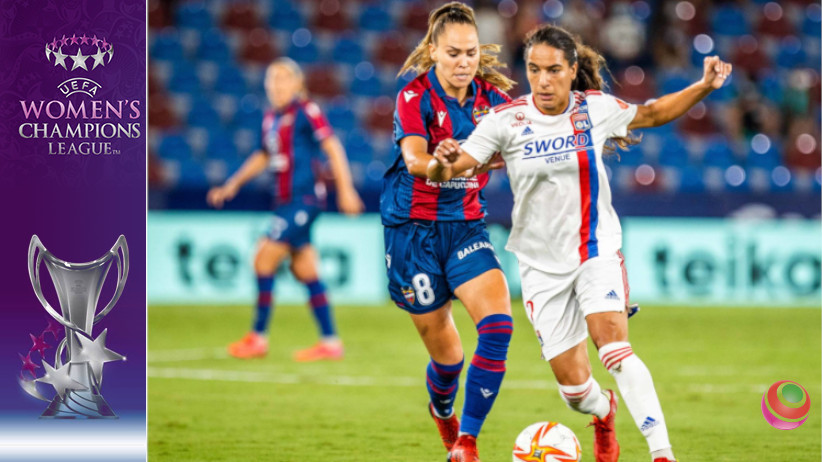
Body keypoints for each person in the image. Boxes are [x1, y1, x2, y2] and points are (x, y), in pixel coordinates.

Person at [428, 24, 732, 462]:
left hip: (595, 250)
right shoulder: (505, 120)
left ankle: (662, 453)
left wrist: (703, 86)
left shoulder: (594, 109)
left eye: (553, 70)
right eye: (534, 70)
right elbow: (454, 167)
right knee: (574, 392)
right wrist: (441, 163)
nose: (543, 80)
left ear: (572, 70)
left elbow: (651, 113)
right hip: (539, 265)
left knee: (615, 348)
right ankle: (604, 410)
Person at [381, 3, 516, 461]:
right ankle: (442, 411)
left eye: (471, 53)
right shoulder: (414, 96)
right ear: (434, 51)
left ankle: (467, 442)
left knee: (497, 327)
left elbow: (524, 146)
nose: (464, 62)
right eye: (454, 53)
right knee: (449, 361)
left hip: (465, 226)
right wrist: (441, 163)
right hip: (413, 233)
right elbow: (415, 161)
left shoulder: (493, 101)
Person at [207, 57, 364, 362]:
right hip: (284, 202)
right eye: (271, 80)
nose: (276, 86)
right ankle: (330, 342)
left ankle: (258, 338)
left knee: (263, 259)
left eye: (282, 79)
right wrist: (232, 184)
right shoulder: (270, 118)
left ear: (297, 83)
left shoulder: (307, 111)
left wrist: (346, 189)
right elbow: (263, 155)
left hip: (304, 200)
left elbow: (332, 146)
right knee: (304, 269)